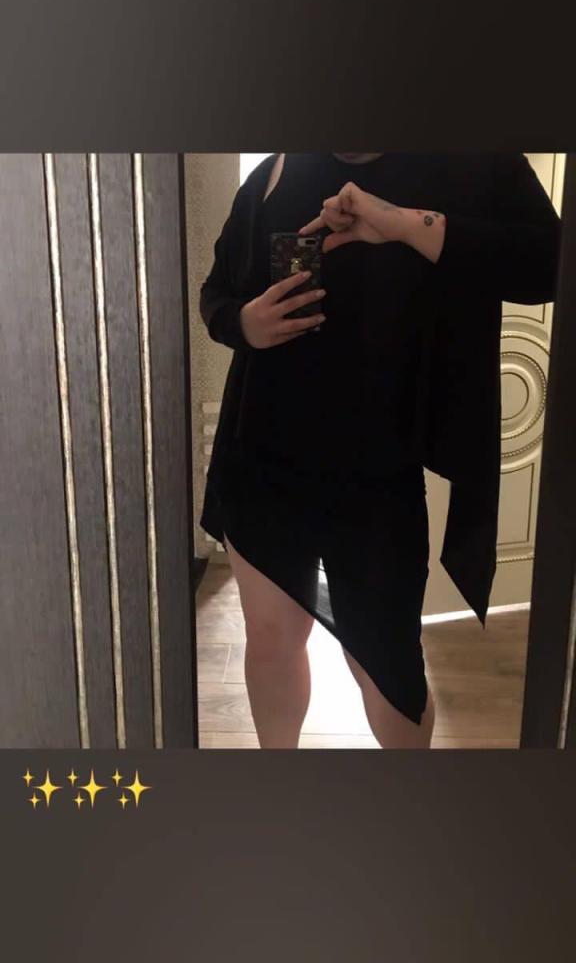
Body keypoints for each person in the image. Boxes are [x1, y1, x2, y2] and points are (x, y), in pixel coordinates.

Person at [199, 153, 561, 749]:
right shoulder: (277, 168)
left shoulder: (471, 158)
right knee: (271, 640)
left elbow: (550, 263)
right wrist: (242, 322)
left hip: (378, 477)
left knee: (389, 666)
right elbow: (216, 291)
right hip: (260, 455)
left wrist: (407, 225)